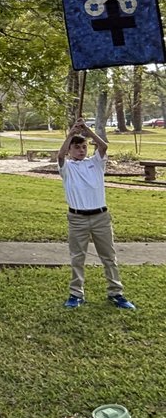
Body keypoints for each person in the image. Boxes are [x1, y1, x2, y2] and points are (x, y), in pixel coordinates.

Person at [57, 118, 135, 310]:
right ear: (70, 150)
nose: (81, 150)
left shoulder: (96, 163)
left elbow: (103, 146)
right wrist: (71, 133)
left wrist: (87, 131)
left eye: (83, 147)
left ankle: (116, 293)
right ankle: (76, 294)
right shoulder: (67, 167)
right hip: (77, 218)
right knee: (77, 257)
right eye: (76, 147)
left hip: (100, 217)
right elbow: (59, 155)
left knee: (108, 256)